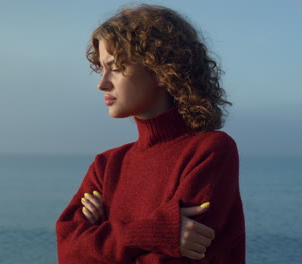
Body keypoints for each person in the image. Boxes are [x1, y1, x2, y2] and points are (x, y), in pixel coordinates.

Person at [55, 4, 245, 264]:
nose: (102, 83)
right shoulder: (106, 166)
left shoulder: (210, 151)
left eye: (116, 67)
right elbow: (67, 251)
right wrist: (151, 232)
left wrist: (99, 238)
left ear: (161, 70)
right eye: (101, 68)